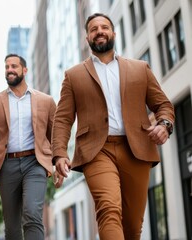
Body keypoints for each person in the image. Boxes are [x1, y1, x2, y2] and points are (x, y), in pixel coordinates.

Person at [52, 13, 175, 240]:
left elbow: (163, 104)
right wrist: (59, 154)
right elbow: (62, 119)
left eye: (104, 27)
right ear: (87, 37)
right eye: (94, 29)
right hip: (96, 151)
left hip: (136, 149)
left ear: (113, 33)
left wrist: (164, 125)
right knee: (108, 208)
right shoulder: (74, 75)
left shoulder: (140, 68)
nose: (99, 31)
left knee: (132, 224)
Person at [0, 54, 63, 240]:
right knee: (11, 225)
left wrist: (58, 161)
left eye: (14, 66)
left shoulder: (45, 101)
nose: (10, 69)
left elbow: (55, 135)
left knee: (32, 214)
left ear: (24, 70)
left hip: (35, 163)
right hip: (6, 165)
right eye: (7, 66)